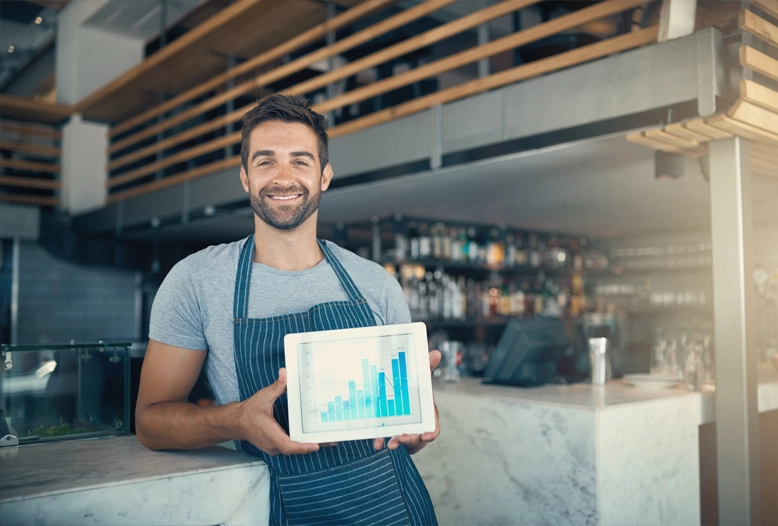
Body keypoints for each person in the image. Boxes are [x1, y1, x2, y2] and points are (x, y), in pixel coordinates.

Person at [136, 93, 440, 526]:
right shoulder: (195, 281)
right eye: (265, 162)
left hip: (394, 506)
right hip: (289, 508)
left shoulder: (374, 281)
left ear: (325, 176)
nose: (283, 177)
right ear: (245, 177)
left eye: (300, 161)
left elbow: (409, 426)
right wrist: (237, 420)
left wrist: (420, 423)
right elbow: (151, 422)